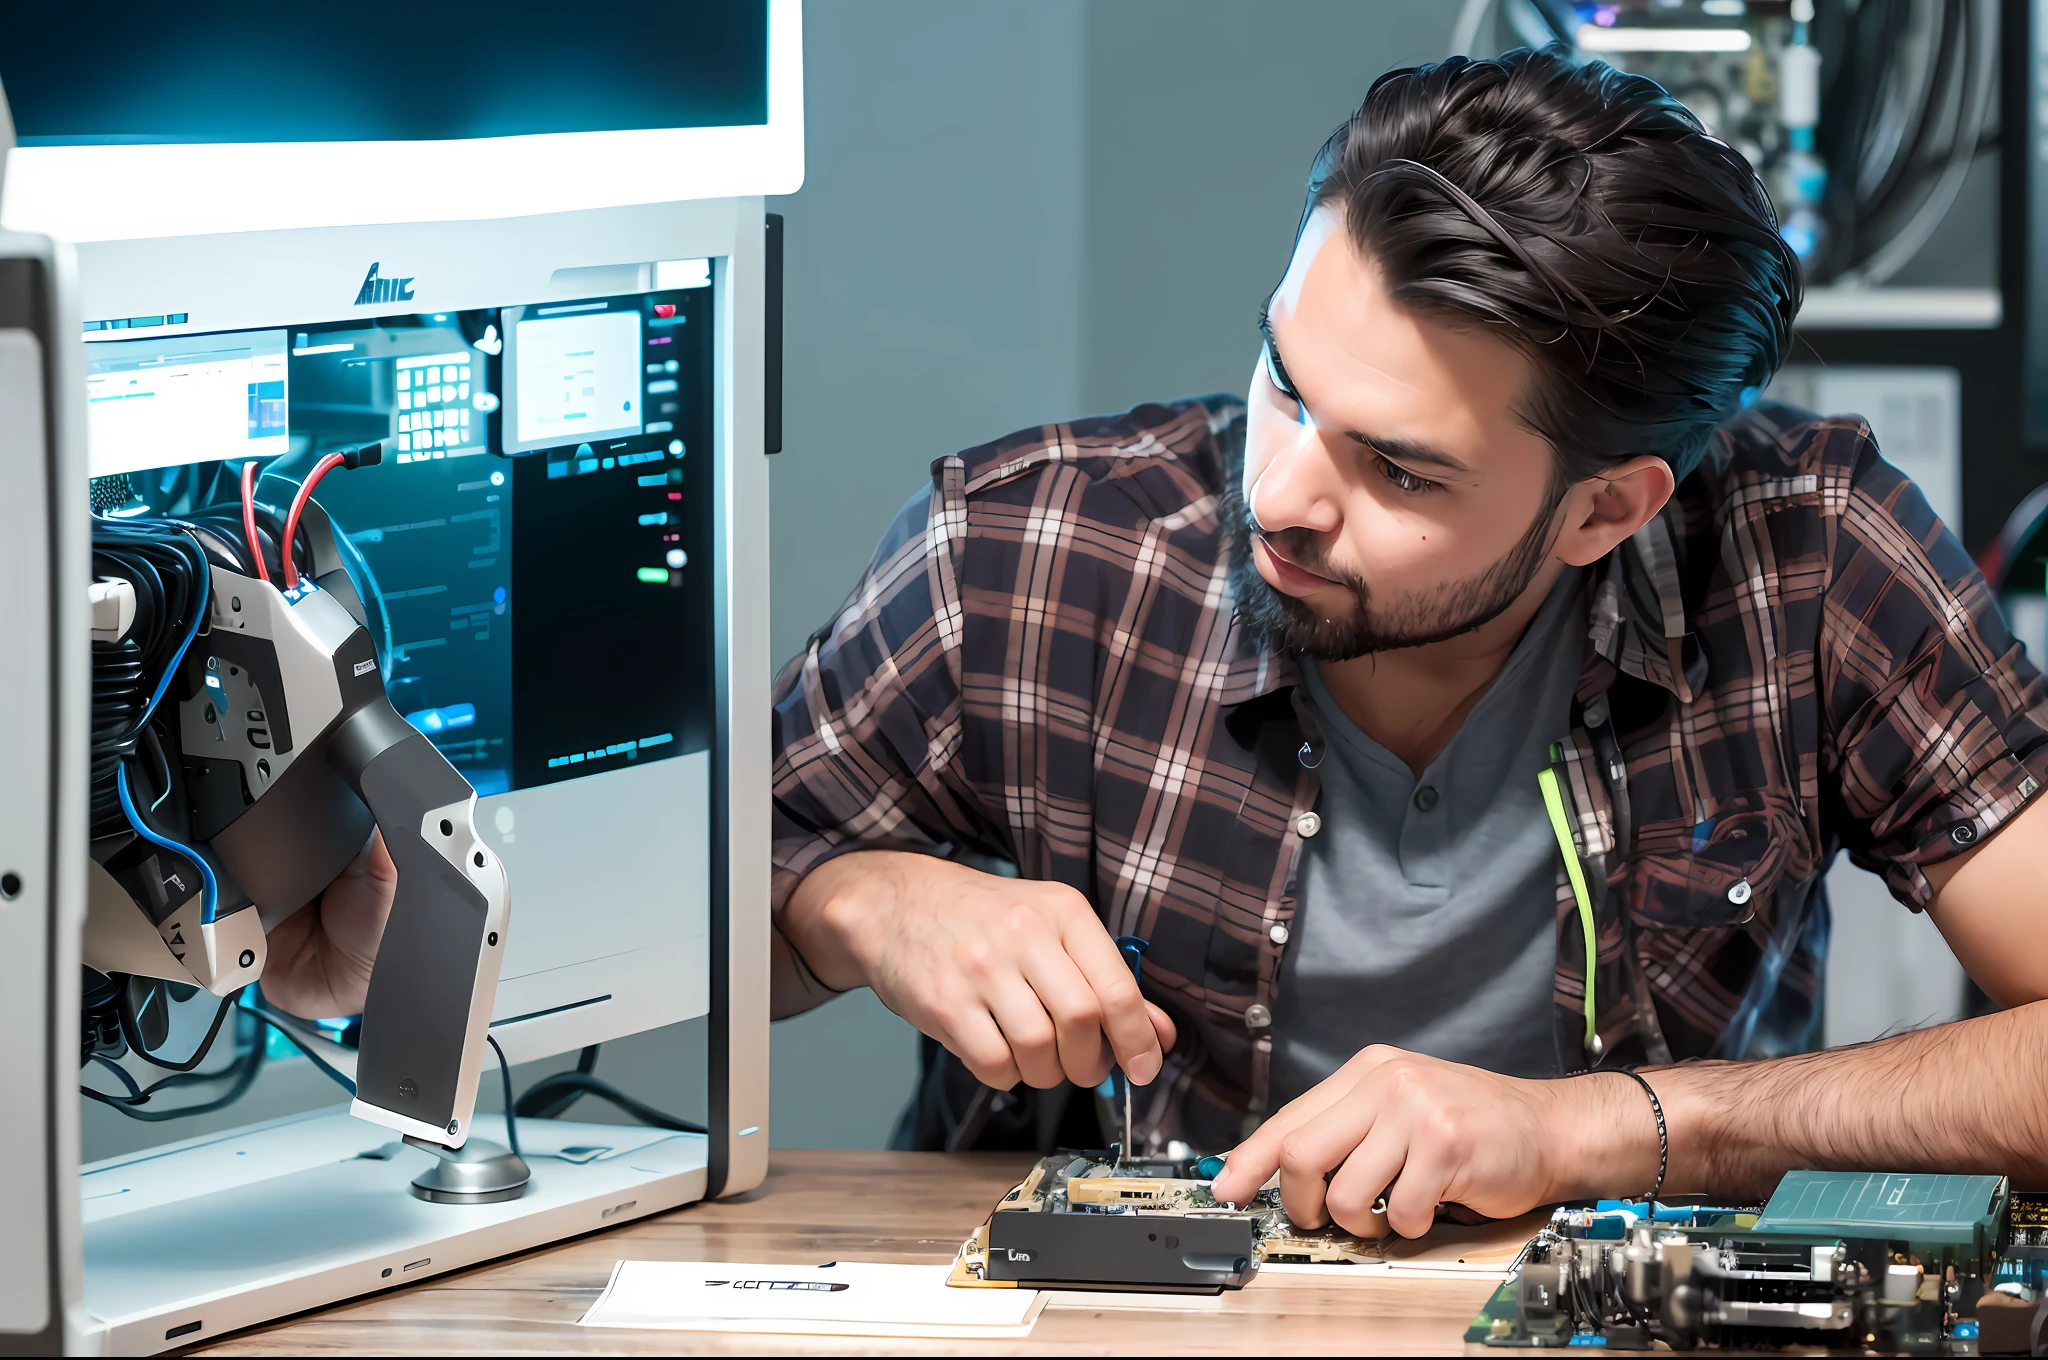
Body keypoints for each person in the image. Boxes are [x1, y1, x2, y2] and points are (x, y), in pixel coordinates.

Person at [766, 48, 2048, 1237]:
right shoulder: (1029, 551)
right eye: (1283, 380)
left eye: (1396, 470)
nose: (1276, 497)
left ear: (1604, 508)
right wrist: (862, 904)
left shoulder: (1806, 556)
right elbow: (677, 932)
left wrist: (1597, 1128)